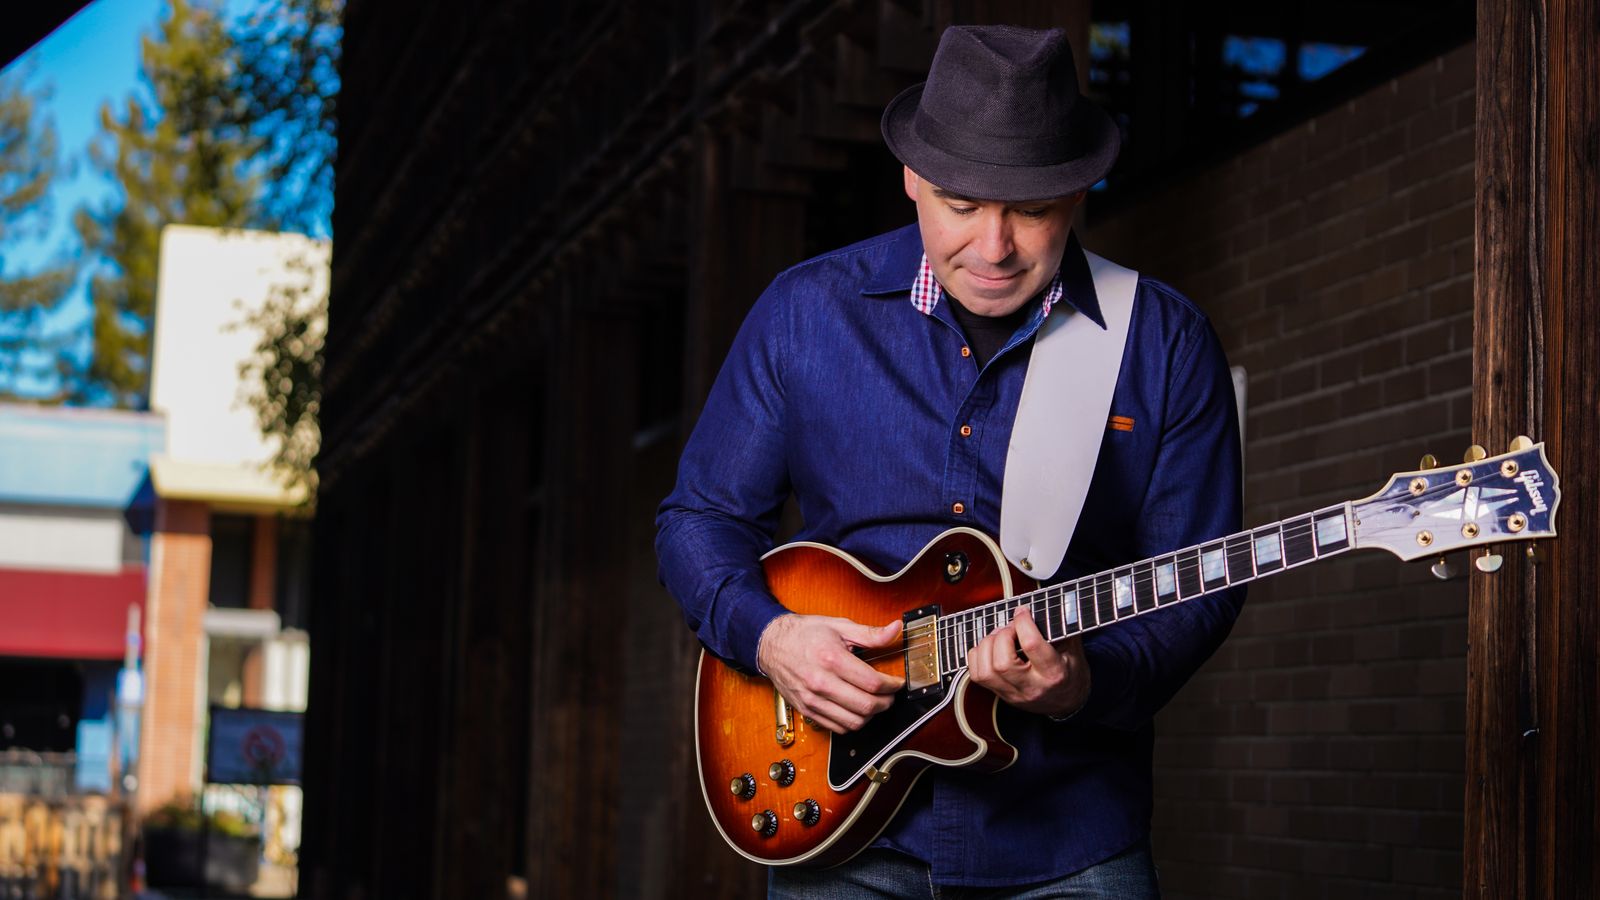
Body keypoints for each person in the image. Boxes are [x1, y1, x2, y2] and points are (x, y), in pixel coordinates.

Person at [656, 24, 1244, 898]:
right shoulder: (806, 314)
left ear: (1078, 192)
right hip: (839, 831)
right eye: (961, 205)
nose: (994, 247)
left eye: (1031, 210)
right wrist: (770, 638)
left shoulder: (1163, 342)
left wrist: (1085, 682)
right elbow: (699, 520)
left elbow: (1202, 583)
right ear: (911, 178)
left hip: (1069, 831)